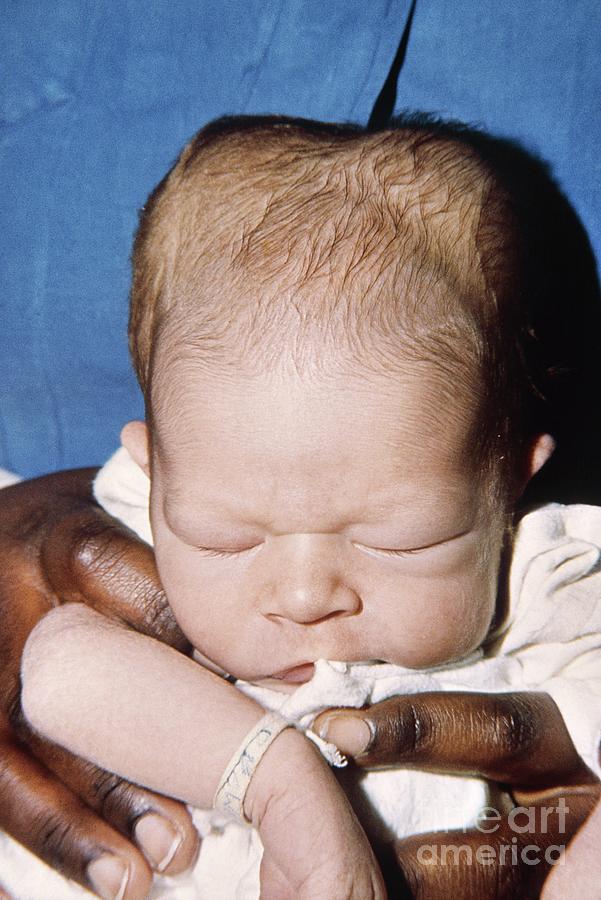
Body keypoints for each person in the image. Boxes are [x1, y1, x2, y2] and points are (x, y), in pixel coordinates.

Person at [15, 113, 601, 898]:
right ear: (152, 476)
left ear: (510, 485)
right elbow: (59, 668)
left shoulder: (549, 582)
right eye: (225, 539)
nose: (303, 595)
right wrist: (277, 780)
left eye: (400, 540)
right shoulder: (140, 522)